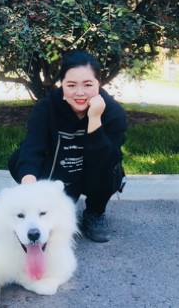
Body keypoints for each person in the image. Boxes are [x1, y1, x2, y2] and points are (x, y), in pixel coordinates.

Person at [8, 51, 127, 243]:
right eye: (71, 85)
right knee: (18, 160)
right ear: (62, 85)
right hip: (59, 174)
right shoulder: (46, 108)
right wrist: (30, 194)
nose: (80, 92)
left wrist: (95, 118)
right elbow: (32, 148)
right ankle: (48, 208)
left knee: (111, 170)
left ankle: (95, 212)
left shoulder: (113, 113)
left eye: (88, 85)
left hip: (92, 175)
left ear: (98, 83)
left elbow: (105, 161)